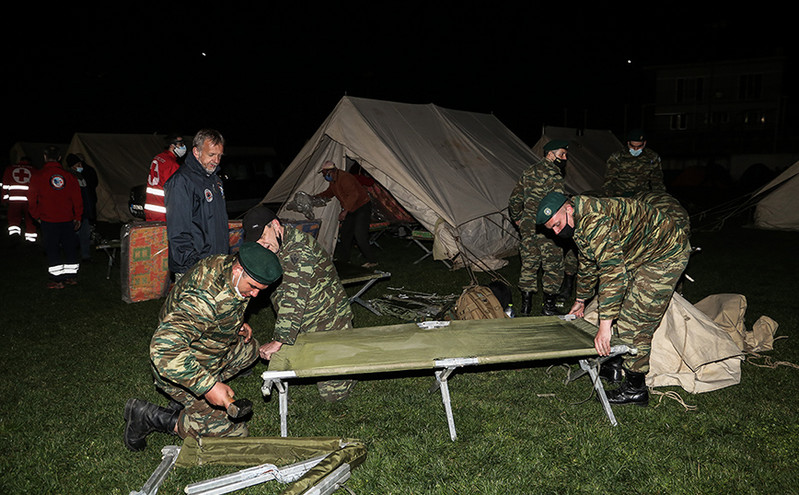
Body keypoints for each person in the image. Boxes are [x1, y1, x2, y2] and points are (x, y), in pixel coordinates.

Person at [123, 242, 282, 451]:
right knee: (234, 435)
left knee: (250, 349)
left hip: (204, 348)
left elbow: (222, 305)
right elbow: (163, 348)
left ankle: (186, 400)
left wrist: (234, 324)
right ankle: (150, 416)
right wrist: (208, 386)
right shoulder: (204, 300)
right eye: (252, 287)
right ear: (238, 270)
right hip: (179, 362)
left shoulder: (225, 265)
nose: (255, 295)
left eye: (260, 289)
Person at [536, 191, 691, 406]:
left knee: (634, 321)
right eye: (552, 228)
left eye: (557, 224)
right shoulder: (577, 220)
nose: (556, 232)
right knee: (622, 308)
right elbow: (589, 261)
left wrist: (604, 325)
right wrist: (581, 300)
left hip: (665, 254)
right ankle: (615, 366)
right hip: (639, 253)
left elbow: (612, 272)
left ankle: (635, 389)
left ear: (568, 209)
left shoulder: (594, 221)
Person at [243, 205, 357, 402]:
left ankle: (347, 360)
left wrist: (279, 341)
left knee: (333, 394)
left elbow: (293, 298)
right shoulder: (273, 245)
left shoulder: (298, 250)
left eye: (264, 238)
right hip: (300, 321)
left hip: (329, 321)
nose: (263, 246)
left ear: (276, 225)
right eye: (257, 242)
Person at [508, 140, 576, 316]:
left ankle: (525, 306)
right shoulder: (554, 175)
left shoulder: (528, 171)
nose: (565, 158)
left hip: (528, 225)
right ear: (550, 154)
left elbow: (515, 199)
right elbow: (558, 205)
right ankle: (548, 307)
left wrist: (517, 218)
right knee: (553, 266)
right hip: (548, 228)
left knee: (529, 264)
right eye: (562, 154)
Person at [164, 129, 228, 280]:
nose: (216, 160)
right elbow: (178, 231)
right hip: (195, 268)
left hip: (217, 263)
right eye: (211, 155)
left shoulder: (216, 181)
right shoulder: (182, 181)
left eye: (219, 155)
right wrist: (193, 266)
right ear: (196, 152)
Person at [28, 146, 83, 288]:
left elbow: (31, 199)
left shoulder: (38, 176)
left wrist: (37, 216)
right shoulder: (69, 176)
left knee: (53, 249)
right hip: (67, 219)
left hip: (48, 220)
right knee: (70, 248)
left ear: (45, 157)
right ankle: (71, 277)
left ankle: (57, 280)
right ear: (59, 158)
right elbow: (77, 199)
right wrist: (78, 217)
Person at [313, 160, 377, 268]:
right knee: (345, 234)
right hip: (351, 208)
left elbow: (354, 195)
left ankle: (372, 260)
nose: (324, 176)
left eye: (324, 174)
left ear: (331, 172)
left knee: (359, 234)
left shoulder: (345, 178)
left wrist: (345, 211)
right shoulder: (333, 181)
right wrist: (316, 197)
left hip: (362, 206)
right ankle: (345, 259)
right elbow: (330, 193)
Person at [603, 129, 666, 197]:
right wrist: (612, 195)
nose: (635, 149)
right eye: (632, 146)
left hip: (643, 195)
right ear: (628, 143)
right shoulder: (617, 157)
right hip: (621, 194)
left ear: (644, 143)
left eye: (639, 146)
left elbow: (657, 180)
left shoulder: (652, 157)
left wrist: (658, 195)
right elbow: (609, 179)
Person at [144, 134, 186, 221]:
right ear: (172, 145)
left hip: (150, 207)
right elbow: (175, 191)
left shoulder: (158, 157)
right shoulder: (172, 164)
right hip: (163, 211)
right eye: (180, 144)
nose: (183, 146)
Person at [65, 153, 98, 262]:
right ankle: (71, 255)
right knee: (74, 235)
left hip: (84, 212)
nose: (81, 166)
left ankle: (85, 255)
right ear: (72, 166)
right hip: (76, 212)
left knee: (85, 234)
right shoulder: (70, 177)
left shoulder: (81, 177)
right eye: (78, 164)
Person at [1, 155, 37, 244]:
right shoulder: (34, 169)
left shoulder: (10, 169)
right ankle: (30, 239)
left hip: (14, 200)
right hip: (29, 200)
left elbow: (5, 185)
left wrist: (4, 199)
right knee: (30, 219)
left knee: (13, 218)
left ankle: (14, 236)